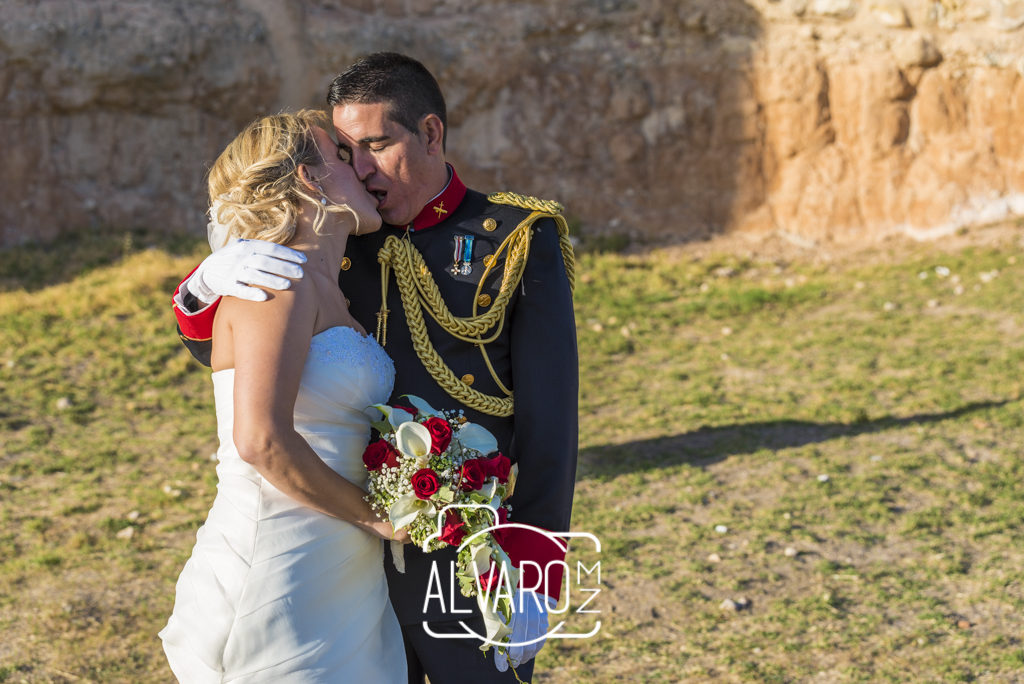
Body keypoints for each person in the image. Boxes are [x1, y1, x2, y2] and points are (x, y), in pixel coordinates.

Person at [172, 53, 579, 684]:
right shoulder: (336, 232)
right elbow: (223, 352)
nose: (363, 168)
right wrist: (201, 287)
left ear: (431, 134)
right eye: (347, 150)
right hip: (344, 544)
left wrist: (536, 568)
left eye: (379, 145)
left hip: (461, 550)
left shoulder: (514, 237)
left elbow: (551, 428)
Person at [159, 110, 409, 683]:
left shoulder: (334, 290)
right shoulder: (274, 278)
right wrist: (381, 520)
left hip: (339, 565)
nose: (367, 169)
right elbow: (261, 440)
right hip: (282, 563)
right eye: (346, 156)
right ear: (307, 178)